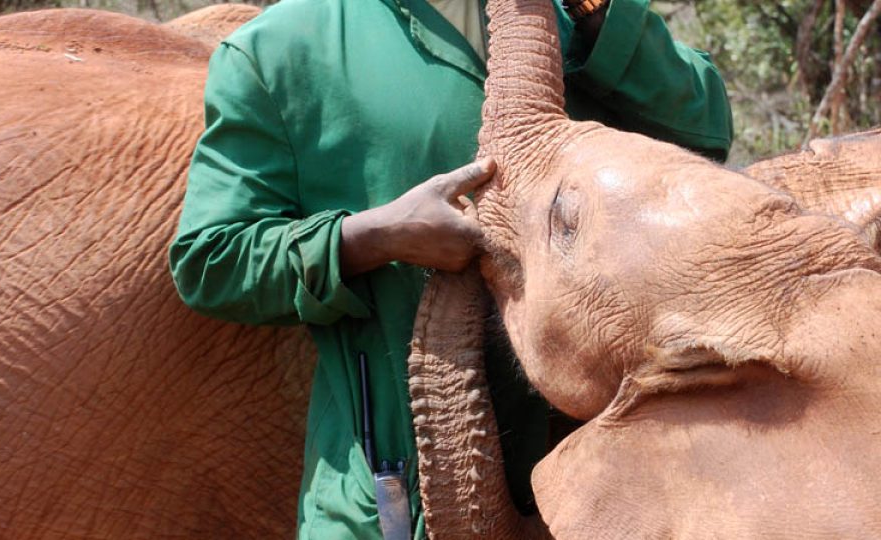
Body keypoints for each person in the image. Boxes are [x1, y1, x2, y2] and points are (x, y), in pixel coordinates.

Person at [169, 0, 733, 537]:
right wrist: (376, 235)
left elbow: (705, 130)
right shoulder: (282, 48)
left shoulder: (563, 20)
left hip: (612, 480)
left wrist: (594, 14)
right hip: (394, 493)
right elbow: (210, 260)